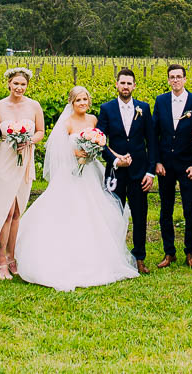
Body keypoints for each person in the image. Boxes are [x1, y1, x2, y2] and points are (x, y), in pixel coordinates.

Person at [14, 86, 139, 291]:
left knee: (94, 213)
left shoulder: (93, 120)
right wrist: (77, 154)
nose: (82, 103)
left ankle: (96, 258)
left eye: (85, 100)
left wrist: (117, 157)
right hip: (71, 174)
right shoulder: (66, 123)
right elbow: (58, 150)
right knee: (70, 213)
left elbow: (103, 145)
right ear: (71, 102)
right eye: (78, 100)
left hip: (90, 173)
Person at [97, 68, 156, 274]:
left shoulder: (144, 108)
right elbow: (100, 142)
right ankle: (113, 256)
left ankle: (139, 257)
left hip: (140, 173)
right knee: (113, 215)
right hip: (115, 174)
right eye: (122, 83)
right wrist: (115, 160)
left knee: (140, 216)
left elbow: (152, 141)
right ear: (117, 84)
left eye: (129, 83)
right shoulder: (106, 109)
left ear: (134, 86)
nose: (125, 86)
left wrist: (150, 172)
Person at [0, 67, 45, 279]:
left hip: (25, 160)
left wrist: (29, 140)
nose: (19, 87)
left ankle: (12, 256)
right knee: (5, 210)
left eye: (23, 84)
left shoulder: (34, 106)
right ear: (9, 84)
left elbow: (40, 131)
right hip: (4, 160)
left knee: (17, 212)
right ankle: (0, 258)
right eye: (16, 84)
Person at [153, 64, 192, 269]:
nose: (175, 80)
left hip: (188, 166)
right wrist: (157, 161)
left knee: (190, 210)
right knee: (165, 210)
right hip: (165, 165)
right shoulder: (161, 101)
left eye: (178, 77)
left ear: (185, 79)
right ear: (168, 80)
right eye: (171, 77)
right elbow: (154, 133)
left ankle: (190, 252)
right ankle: (169, 253)